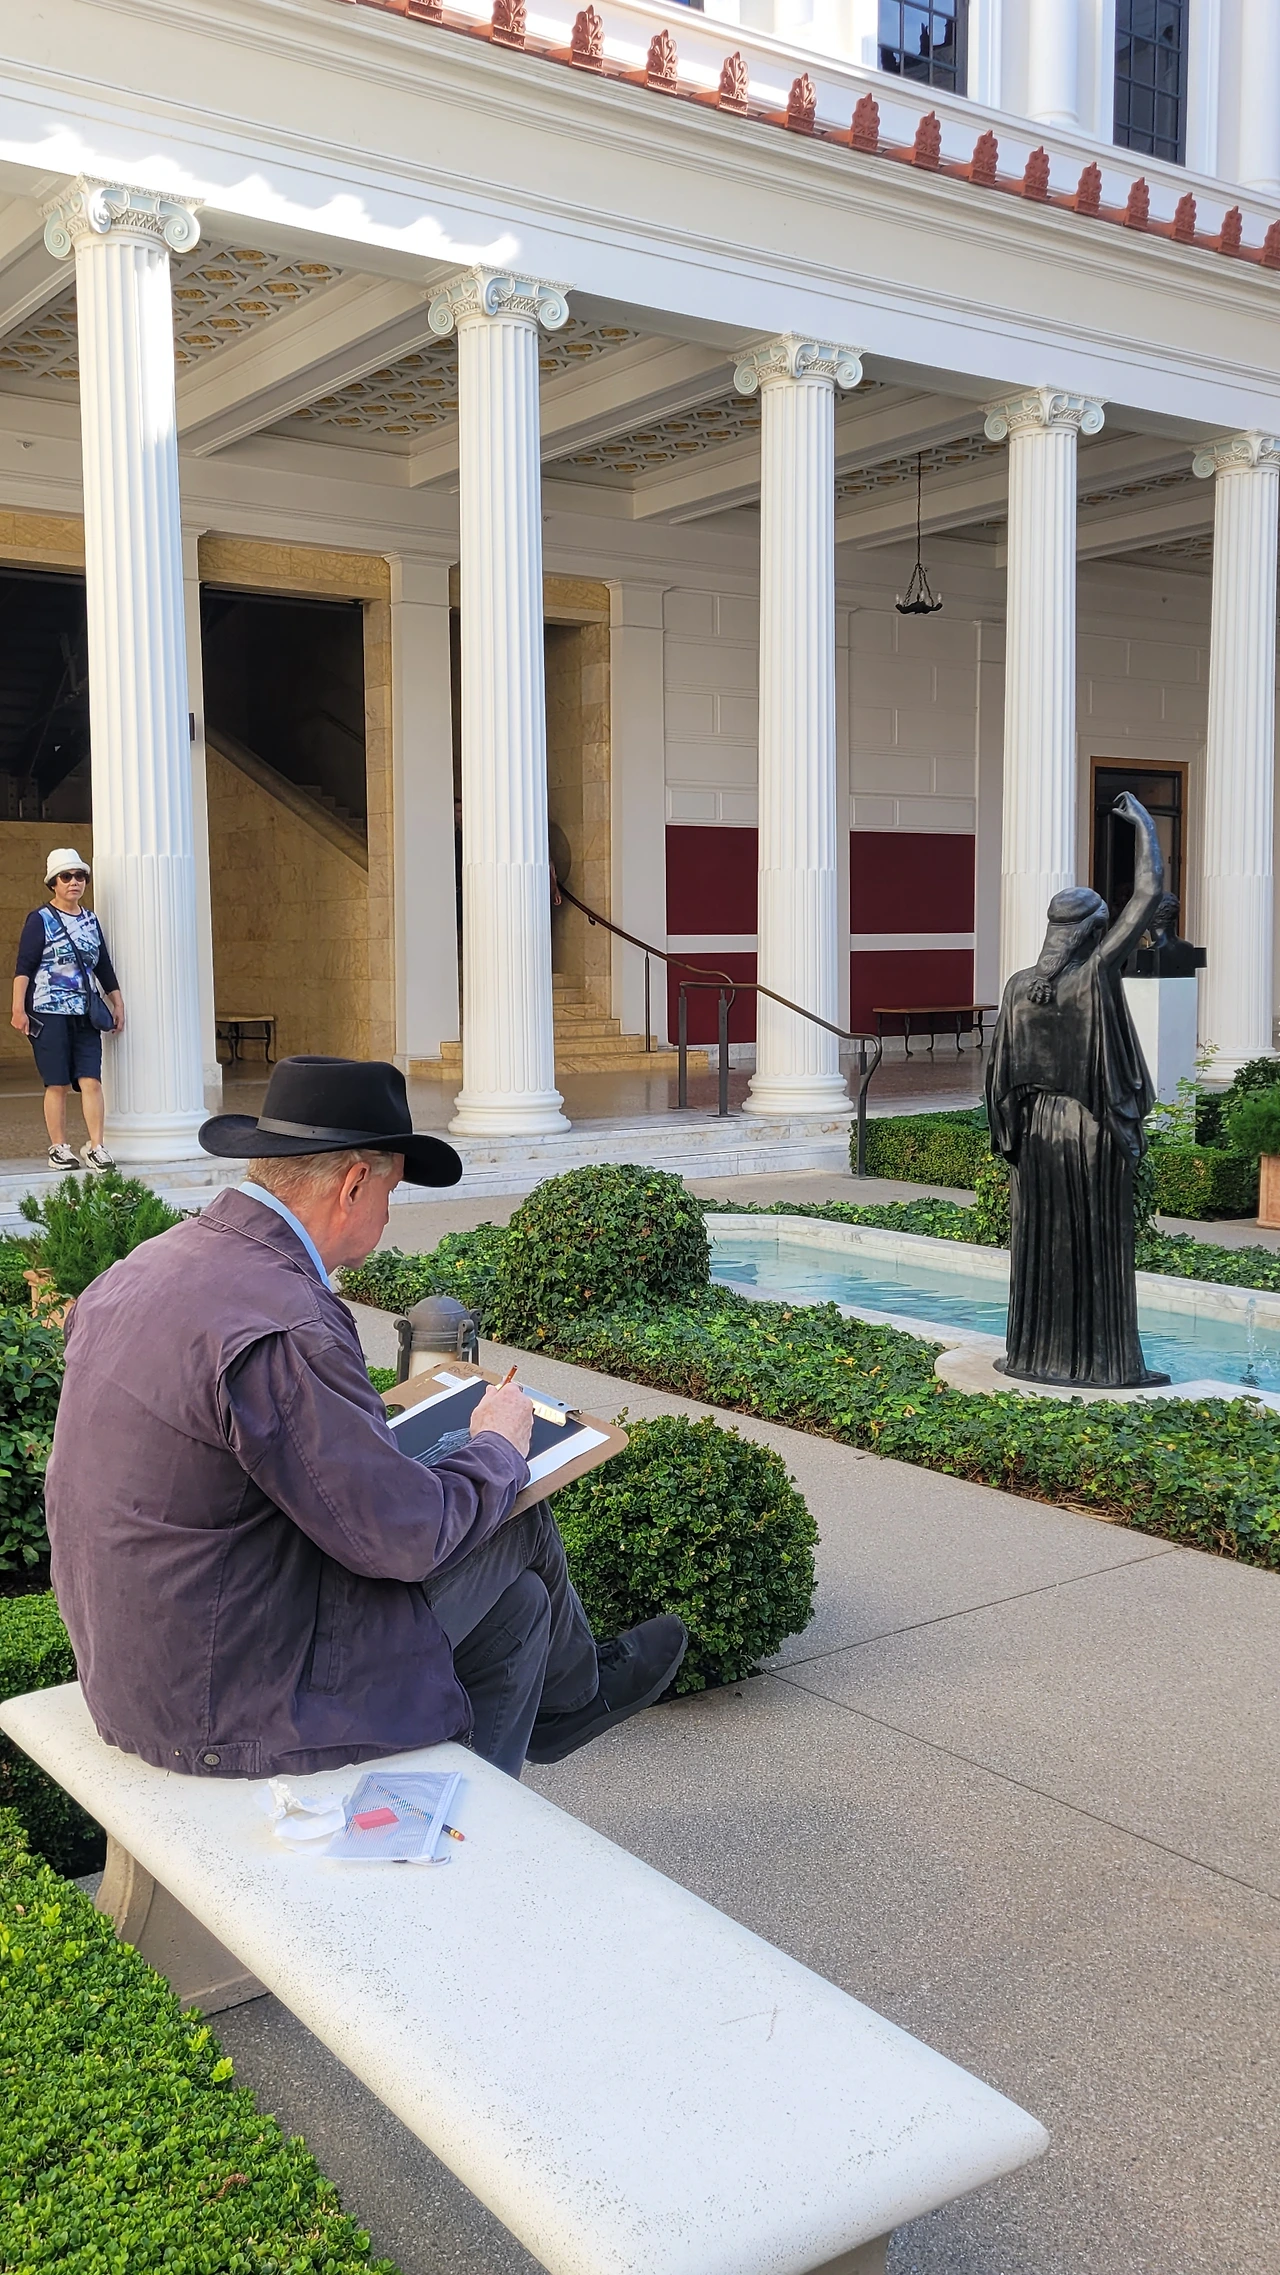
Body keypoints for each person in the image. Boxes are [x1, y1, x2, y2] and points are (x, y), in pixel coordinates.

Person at [45, 1055, 687, 1782]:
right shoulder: (292, 1321)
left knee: (520, 1604)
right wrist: (499, 1444)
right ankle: (578, 1698)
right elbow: (403, 1541)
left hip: (140, 1661)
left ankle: (479, 1813)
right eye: (391, 1190)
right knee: (513, 1506)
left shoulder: (146, 1266)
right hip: (228, 1701)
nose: (388, 1212)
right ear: (354, 1184)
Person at [986, 792, 1167, 1389]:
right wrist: (1144, 824)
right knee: (1097, 1243)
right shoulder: (1093, 975)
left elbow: (999, 1085)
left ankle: (1035, 1354)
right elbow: (1147, 896)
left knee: (1042, 1241)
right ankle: (1102, 1363)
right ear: (1094, 932)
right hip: (1091, 1128)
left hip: (1038, 1130)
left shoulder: (1018, 988)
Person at [11, 848, 124, 1173]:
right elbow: (24, 966)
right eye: (66, 876)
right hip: (48, 1012)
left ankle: (97, 1146)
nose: (74, 882)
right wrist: (18, 1008)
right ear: (54, 883)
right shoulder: (40, 919)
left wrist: (117, 1002)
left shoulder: (90, 920)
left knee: (91, 1080)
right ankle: (58, 1147)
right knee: (57, 1083)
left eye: (80, 876)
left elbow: (103, 965)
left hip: (85, 1012)